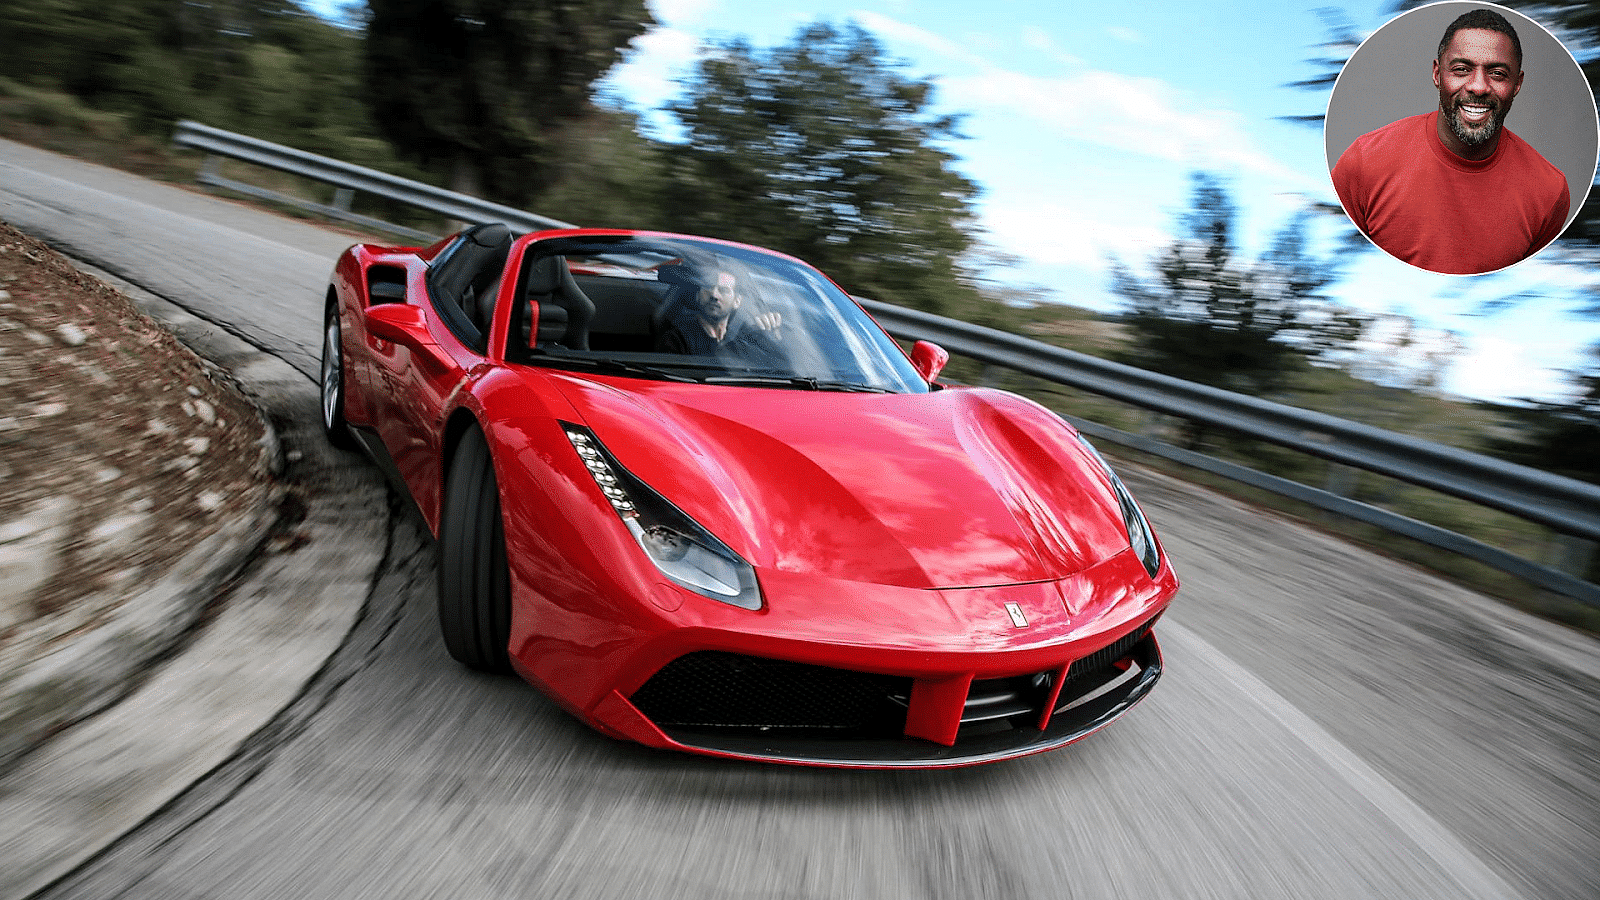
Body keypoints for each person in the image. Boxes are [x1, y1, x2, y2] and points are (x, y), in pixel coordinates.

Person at [1331, 8, 1569, 275]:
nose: (1478, 86)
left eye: (1498, 73)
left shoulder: (1550, 191)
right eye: (1461, 69)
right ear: (1437, 74)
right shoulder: (1364, 161)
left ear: (1517, 84)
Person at [656, 266, 782, 357]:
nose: (714, 295)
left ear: (737, 301)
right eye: (708, 287)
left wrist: (774, 335)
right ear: (698, 295)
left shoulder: (746, 338)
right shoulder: (677, 339)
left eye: (723, 290)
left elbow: (780, 363)